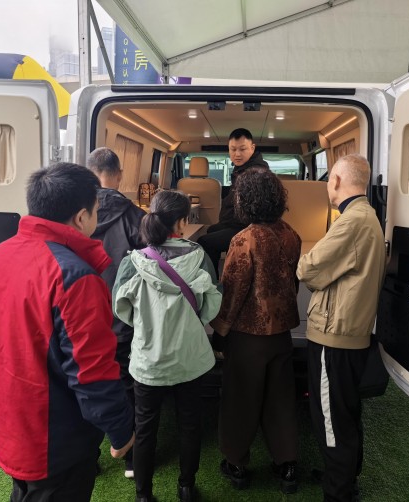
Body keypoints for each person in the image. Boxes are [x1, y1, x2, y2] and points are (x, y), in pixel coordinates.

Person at [0, 162, 134, 502]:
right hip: (56, 439)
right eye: (96, 211)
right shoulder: (76, 277)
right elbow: (92, 373)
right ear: (81, 217)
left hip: (10, 422)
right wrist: (121, 430)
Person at [113, 190, 222, 502]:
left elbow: (121, 309)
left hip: (148, 361)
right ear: (183, 222)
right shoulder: (199, 258)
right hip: (191, 359)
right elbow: (211, 305)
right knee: (190, 425)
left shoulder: (133, 262)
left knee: (145, 428)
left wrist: (148, 325)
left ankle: (143, 494)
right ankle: (186, 487)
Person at [296, 154, 385, 502]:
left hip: (334, 336)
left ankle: (339, 491)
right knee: (345, 413)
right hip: (350, 332)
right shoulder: (366, 216)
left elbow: (308, 269)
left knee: (331, 420)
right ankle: (344, 475)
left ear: (335, 180)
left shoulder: (352, 222)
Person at [210, 169, 301, 494]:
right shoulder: (291, 234)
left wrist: (221, 330)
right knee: (281, 399)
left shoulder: (243, 239)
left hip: (248, 335)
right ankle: (287, 465)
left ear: (244, 201)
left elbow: (233, 292)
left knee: (241, 399)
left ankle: (236, 464)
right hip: (282, 333)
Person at [87, 146, 146, 479]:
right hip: (122, 317)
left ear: (89, 173)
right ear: (120, 175)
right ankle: (132, 458)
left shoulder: (75, 215)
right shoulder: (137, 217)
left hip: (82, 317)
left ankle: (88, 456)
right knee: (126, 384)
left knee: (83, 383)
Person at [197, 128, 269, 276]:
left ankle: (211, 282)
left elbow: (253, 211)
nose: (237, 154)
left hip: (247, 227)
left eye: (242, 149)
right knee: (211, 230)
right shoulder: (242, 168)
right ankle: (220, 272)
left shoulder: (255, 173)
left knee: (205, 242)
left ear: (252, 148)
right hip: (237, 223)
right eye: (233, 149)